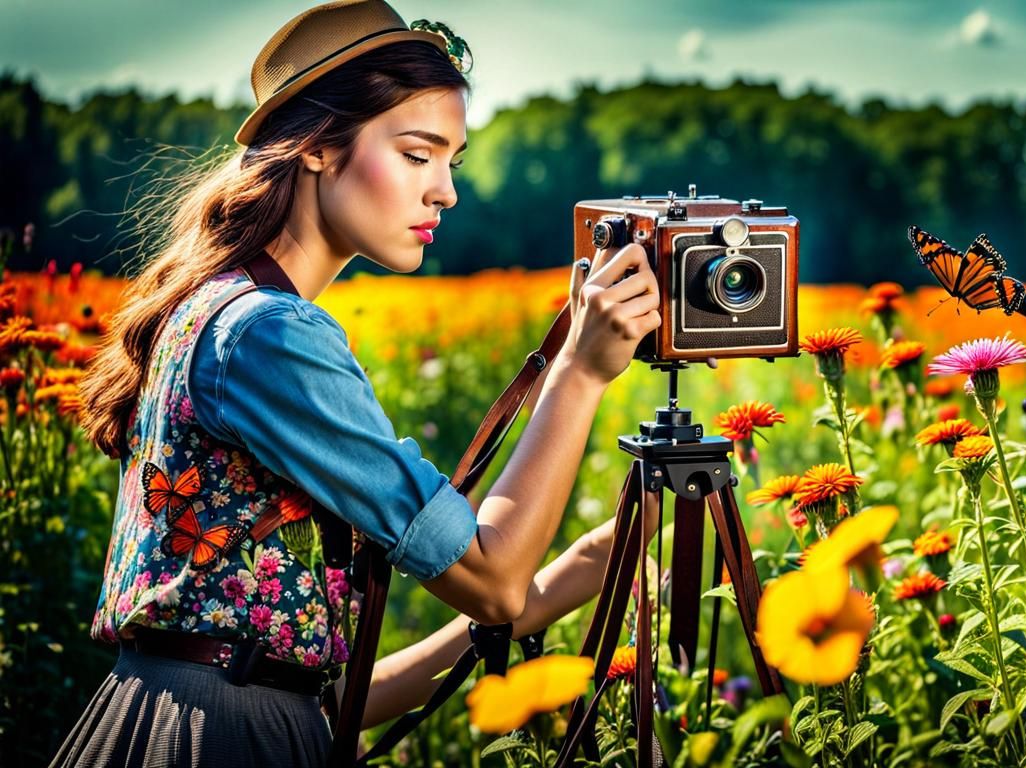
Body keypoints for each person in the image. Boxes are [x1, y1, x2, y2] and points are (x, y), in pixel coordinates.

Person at [52, 1, 661, 765]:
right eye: (416, 154)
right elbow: (494, 578)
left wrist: (574, 575)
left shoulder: (211, 309)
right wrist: (580, 369)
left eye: (452, 161)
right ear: (316, 147)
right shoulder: (268, 336)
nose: (446, 192)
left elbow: (305, 692)